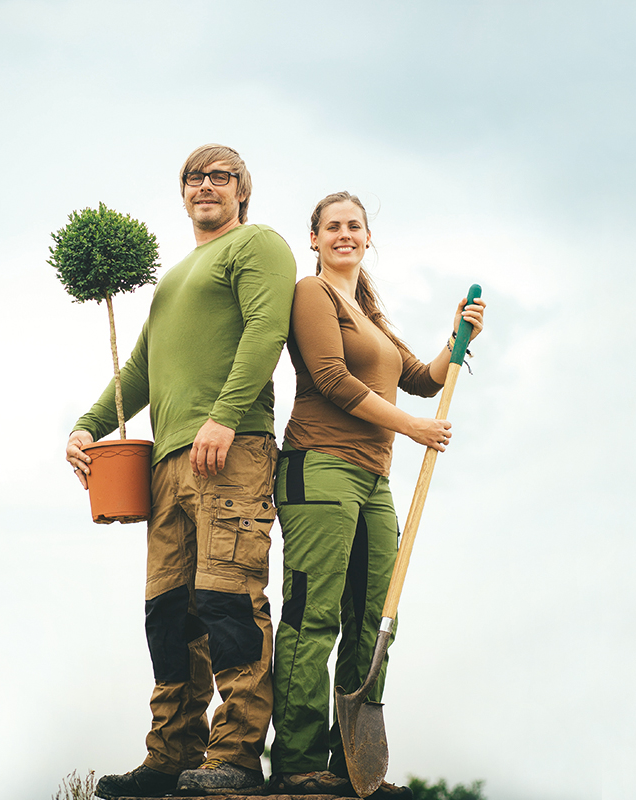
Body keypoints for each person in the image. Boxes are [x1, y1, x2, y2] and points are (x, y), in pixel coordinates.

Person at [65, 144, 296, 798]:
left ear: (242, 190)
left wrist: (224, 416)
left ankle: (237, 756)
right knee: (168, 615)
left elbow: (265, 330)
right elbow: (138, 372)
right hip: (165, 465)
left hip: (231, 451)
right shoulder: (173, 279)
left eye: (220, 176)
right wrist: (87, 426)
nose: (205, 185)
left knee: (227, 599)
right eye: (194, 177)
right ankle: (169, 754)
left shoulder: (256, 245)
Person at [267, 191, 485, 798]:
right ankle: (299, 760)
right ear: (314, 239)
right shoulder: (312, 295)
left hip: (374, 482)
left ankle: (351, 763)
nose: (344, 234)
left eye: (354, 226)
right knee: (314, 614)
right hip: (321, 470)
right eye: (331, 226)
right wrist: (412, 428)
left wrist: (457, 338)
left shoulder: (370, 313)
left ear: (368, 238)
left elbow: (421, 378)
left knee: (374, 620)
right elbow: (332, 379)